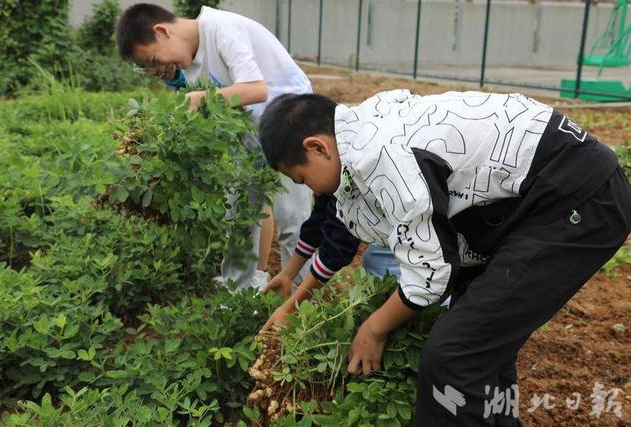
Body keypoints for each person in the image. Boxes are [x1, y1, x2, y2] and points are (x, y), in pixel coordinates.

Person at [258, 89, 631, 425]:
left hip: (574, 200)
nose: (307, 189)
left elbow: (431, 271)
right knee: (479, 346)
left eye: (302, 180)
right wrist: (294, 298)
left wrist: (375, 328)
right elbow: (337, 222)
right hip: (537, 200)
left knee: (454, 356)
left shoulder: (382, 155)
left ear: (318, 147)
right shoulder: (359, 134)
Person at [115, 3, 313, 289]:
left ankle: (302, 302)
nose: (157, 68)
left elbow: (256, 89)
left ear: (162, 31)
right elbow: (215, 91)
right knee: (239, 218)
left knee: (293, 222)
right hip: (248, 138)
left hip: (292, 128)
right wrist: (176, 82)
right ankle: (238, 293)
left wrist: (201, 99)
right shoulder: (192, 58)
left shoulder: (221, 29)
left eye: (154, 59)